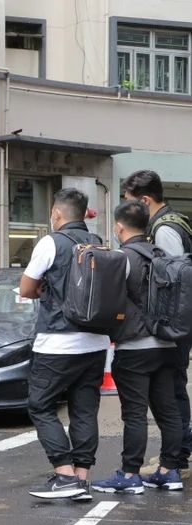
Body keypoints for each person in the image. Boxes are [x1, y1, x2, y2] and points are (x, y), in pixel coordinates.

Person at [19, 188, 114, 500]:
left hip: (57, 342)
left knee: (40, 404)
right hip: (96, 342)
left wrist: (45, 293)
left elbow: (26, 287)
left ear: (56, 214)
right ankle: (81, 478)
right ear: (84, 214)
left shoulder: (51, 242)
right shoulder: (99, 244)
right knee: (84, 409)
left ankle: (63, 474)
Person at [92, 201, 184, 493]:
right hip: (168, 343)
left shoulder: (123, 257)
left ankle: (130, 474)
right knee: (168, 411)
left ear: (119, 226)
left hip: (134, 347)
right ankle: (170, 470)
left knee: (134, 413)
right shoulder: (162, 254)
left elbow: (107, 299)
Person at [121, 170, 192, 476]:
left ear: (145, 200)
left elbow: (174, 283)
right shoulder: (176, 220)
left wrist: (163, 326)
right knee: (174, 389)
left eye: (130, 203)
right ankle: (174, 457)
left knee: (174, 391)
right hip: (178, 324)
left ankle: (177, 459)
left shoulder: (163, 230)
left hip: (172, 325)